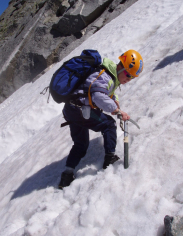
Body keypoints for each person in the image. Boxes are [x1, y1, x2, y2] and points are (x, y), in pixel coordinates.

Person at [58, 49, 144, 189]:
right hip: (81, 110)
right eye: (128, 75)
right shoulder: (106, 76)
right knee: (109, 125)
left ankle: (67, 175)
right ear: (121, 66)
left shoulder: (108, 74)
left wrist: (114, 100)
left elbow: (105, 91)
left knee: (81, 145)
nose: (128, 80)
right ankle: (110, 158)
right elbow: (98, 96)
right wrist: (116, 111)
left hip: (72, 109)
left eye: (132, 78)